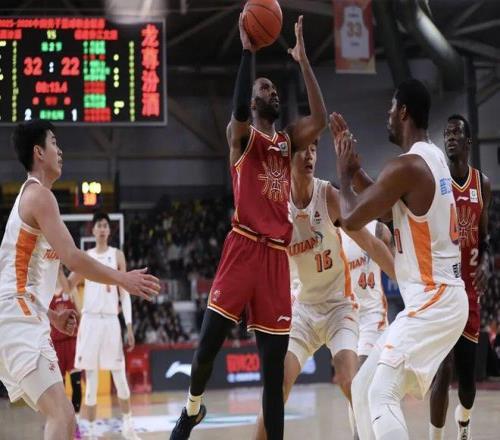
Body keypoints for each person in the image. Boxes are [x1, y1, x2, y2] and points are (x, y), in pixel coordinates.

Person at [170, 15, 327, 440]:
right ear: (254, 102)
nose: (272, 92)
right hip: (242, 247)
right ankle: (192, 409)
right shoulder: (240, 136)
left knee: (273, 377)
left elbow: (320, 117)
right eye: (265, 88)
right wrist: (246, 52)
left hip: (276, 258)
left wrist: (303, 61)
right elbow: (238, 110)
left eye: (274, 89)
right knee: (206, 348)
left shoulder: (287, 141)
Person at [0, 119, 159, 440]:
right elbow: (73, 257)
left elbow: (17, 279)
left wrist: (51, 314)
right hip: (17, 319)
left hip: (25, 315)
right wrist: (122, 279)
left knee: (65, 417)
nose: (60, 151)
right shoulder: (39, 195)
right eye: (54, 143)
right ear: (38, 152)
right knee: (62, 415)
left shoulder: (34, 198)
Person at [331, 79, 469, 440]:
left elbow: (352, 218)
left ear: (404, 111)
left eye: (391, 108)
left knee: (382, 393)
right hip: (438, 299)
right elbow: (384, 203)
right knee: (363, 386)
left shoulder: (406, 166)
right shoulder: (431, 158)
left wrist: (343, 174)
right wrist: (356, 172)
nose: (388, 115)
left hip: (434, 301)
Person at [254, 139, 396, 440]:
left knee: (350, 381)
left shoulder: (328, 195)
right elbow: (261, 263)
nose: (309, 155)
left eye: (314, 149)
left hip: (338, 307)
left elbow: (372, 244)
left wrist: (408, 283)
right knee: (275, 390)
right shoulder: (277, 208)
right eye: (302, 150)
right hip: (302, 310)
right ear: (287, 157)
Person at [429, 114, 491, 440]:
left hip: (469, 293)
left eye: (456, 133)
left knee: (467, 384)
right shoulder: (436, 183)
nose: (450, 137)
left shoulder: (482, 184)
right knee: (444, 368)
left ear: (468, 142)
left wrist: (486, 262)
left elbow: (485, 237)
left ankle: (463, 421)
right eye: (446, 133)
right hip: (442, 288)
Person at [62, 212, 141, 440]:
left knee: (120, 376)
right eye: (99, 225)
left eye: (106, 225)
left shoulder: (117, 255)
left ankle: (128, 425)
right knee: (91, 381)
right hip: (90, 321)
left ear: (109, 230)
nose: (103, 228)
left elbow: (124, 292)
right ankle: (91, 431)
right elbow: (68, 286)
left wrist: (129, 325)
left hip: (110, 321)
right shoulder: (85, 257)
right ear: (93, 230)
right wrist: (55, 268)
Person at [340, 221, 392, 365]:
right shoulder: (329, 233)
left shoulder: (378, 229)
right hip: (344, 315)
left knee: (363, 370)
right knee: (348, 376)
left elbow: (399, 269)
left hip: (372, 314)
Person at [49, 267, 83, 439]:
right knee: (59, 390)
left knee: (76, 383)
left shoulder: (70, 291)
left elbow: (81, 314)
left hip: (72, 342)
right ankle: (61, 422)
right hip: (55, 345)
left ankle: (77, 422)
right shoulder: (46, 293)